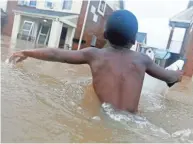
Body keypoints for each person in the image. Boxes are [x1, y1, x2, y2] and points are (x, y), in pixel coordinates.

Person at [8, 10, 182, 113]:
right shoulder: (143, 60)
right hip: (134, 122)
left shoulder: (94, 55)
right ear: (134, 40)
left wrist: (25, 51)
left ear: (105, 36)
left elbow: (56, 54)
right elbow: (169, 77)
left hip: (105, 116)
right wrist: (180, 74)